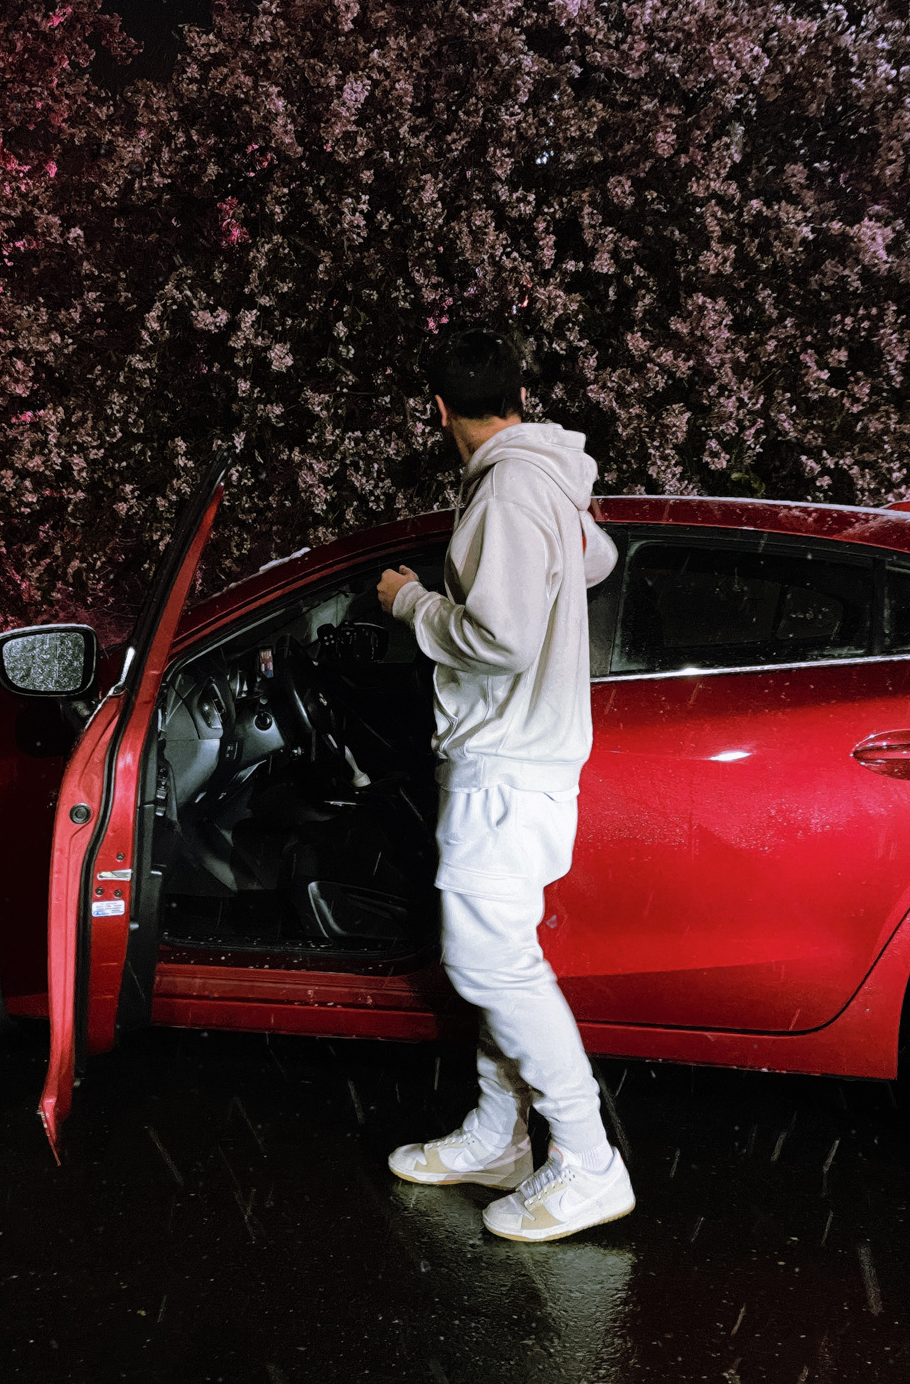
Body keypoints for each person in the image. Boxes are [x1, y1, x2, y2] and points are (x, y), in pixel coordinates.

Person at [376, 327, 634, 1244]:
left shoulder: (509, 488)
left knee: (489, 963)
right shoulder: (548, 480)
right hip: (528, 762)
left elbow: (503, 638)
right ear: (516, 395)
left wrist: (411, 600)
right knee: (502, 955)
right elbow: (598, 562)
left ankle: (587, 1159)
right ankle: (499, 1135)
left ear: (440, 408)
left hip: (505, 765)